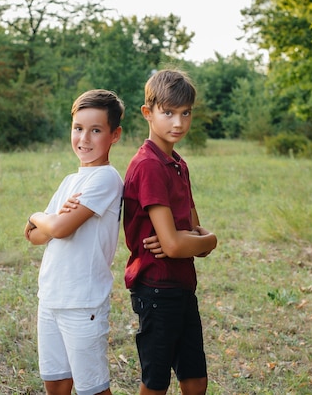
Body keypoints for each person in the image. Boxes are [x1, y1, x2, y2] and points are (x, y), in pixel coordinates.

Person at [123, 69, 218, 395]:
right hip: (155, 289)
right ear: (148, 113)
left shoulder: (177, 163)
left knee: (195, 378)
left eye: (185, 113)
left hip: (181, 286)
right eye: (168, 112)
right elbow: (179, 244)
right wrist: (208, 239)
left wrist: (194, 241)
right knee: (156, 382)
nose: (178, 122)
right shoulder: (148, 165)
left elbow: (190, 235)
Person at [24, 89, 124, 395]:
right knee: (55, 382)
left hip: (83, 302)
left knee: (92, 389)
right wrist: (47, 219)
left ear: (114, 135)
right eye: (78, 128)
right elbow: (33, 236)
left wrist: (37, 214)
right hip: (51, 296)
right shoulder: (70, 180)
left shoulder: (106, 179)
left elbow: (58, 229)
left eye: (96, 130)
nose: (84, 138)